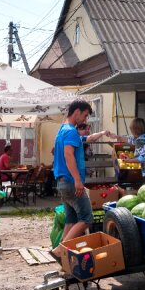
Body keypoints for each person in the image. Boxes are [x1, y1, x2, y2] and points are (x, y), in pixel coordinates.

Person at [53, 100, 94, 250]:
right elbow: (68, 155)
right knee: (87, 219)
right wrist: (78, 180)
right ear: (77, 111)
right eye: (85, 115)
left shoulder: (62, 129)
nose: (85, 120)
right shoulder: (71, 131)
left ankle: (62, 255)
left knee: (71, 220)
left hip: (63, 182)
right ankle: (60, 251)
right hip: (71, 182)